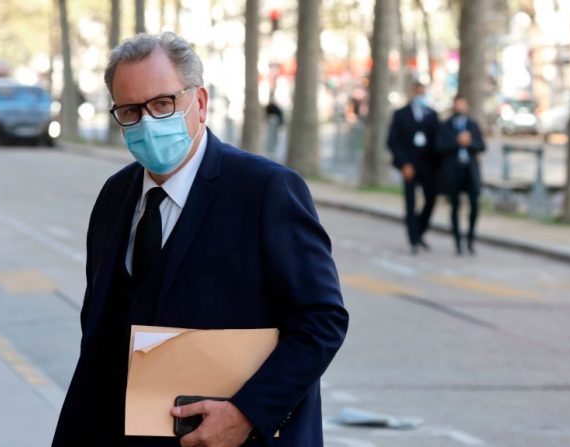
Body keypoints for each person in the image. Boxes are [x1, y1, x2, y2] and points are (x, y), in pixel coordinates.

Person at [51, 32, 349, 447]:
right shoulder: (114, 197)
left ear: (200, 103)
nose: (148, 122)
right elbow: (99, 330)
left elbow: (322, 321)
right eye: (131, 111)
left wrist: (247, 412)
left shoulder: (265, 190)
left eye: (162, 104)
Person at [387, 82, 441, 254]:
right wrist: (403, 164)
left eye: (423, 93)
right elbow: (392, 141)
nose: (421, 96)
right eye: (419, 92)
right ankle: (413, 239)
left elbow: (437, 141)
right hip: (409, 165)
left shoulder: (432, 115)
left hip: (428, 166)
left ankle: (419, 231)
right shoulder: (401, 114)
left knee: (430, 199)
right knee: (410, 203)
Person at [436, 95, 486, 255]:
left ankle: (470, 240)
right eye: (458, 104)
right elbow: (439, 147)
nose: (460, 107)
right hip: (453, 171)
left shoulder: (472, 125)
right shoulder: (446, 125)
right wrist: (457, 141)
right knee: (455, 207)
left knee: (474, 205)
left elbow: (482, 146)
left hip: (470, 171)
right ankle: (457, 243)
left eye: (463, 104)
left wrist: (469, 143)